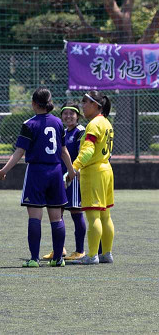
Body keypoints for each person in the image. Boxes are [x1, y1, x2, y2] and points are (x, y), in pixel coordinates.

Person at [0, 88, 75, 268]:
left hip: (37, 172)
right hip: (55, 172)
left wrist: (3, 170)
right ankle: (58, 259)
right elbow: (63, 151)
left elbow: (19, 152)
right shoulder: (58, 123)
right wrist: (71, 170)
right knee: (56, 218)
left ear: (33, 103)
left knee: (35, 217)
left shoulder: (29, 124)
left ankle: (34, 259)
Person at [69, 91, 114, 265]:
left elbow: (88, 151)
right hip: (106, 170)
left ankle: (92, 255)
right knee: (105, 215)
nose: (83, 105)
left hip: (94, 172)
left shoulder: (94, 124)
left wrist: (74, 167)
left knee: (93, 216)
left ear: (96, 105)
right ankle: (106, 253)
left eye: (86, 102)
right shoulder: (106, 122)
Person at [41, 103, 86, 262]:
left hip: (73, 176)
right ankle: (59, 249)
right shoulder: (63, 132)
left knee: (75, 211)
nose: (68, 117)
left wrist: (73, 172)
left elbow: (82, 153)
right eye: (65, 114)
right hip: (59, 176)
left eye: (71, 114)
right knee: (57, 213)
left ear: (78, 116)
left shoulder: (81, 131)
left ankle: (80, 250)